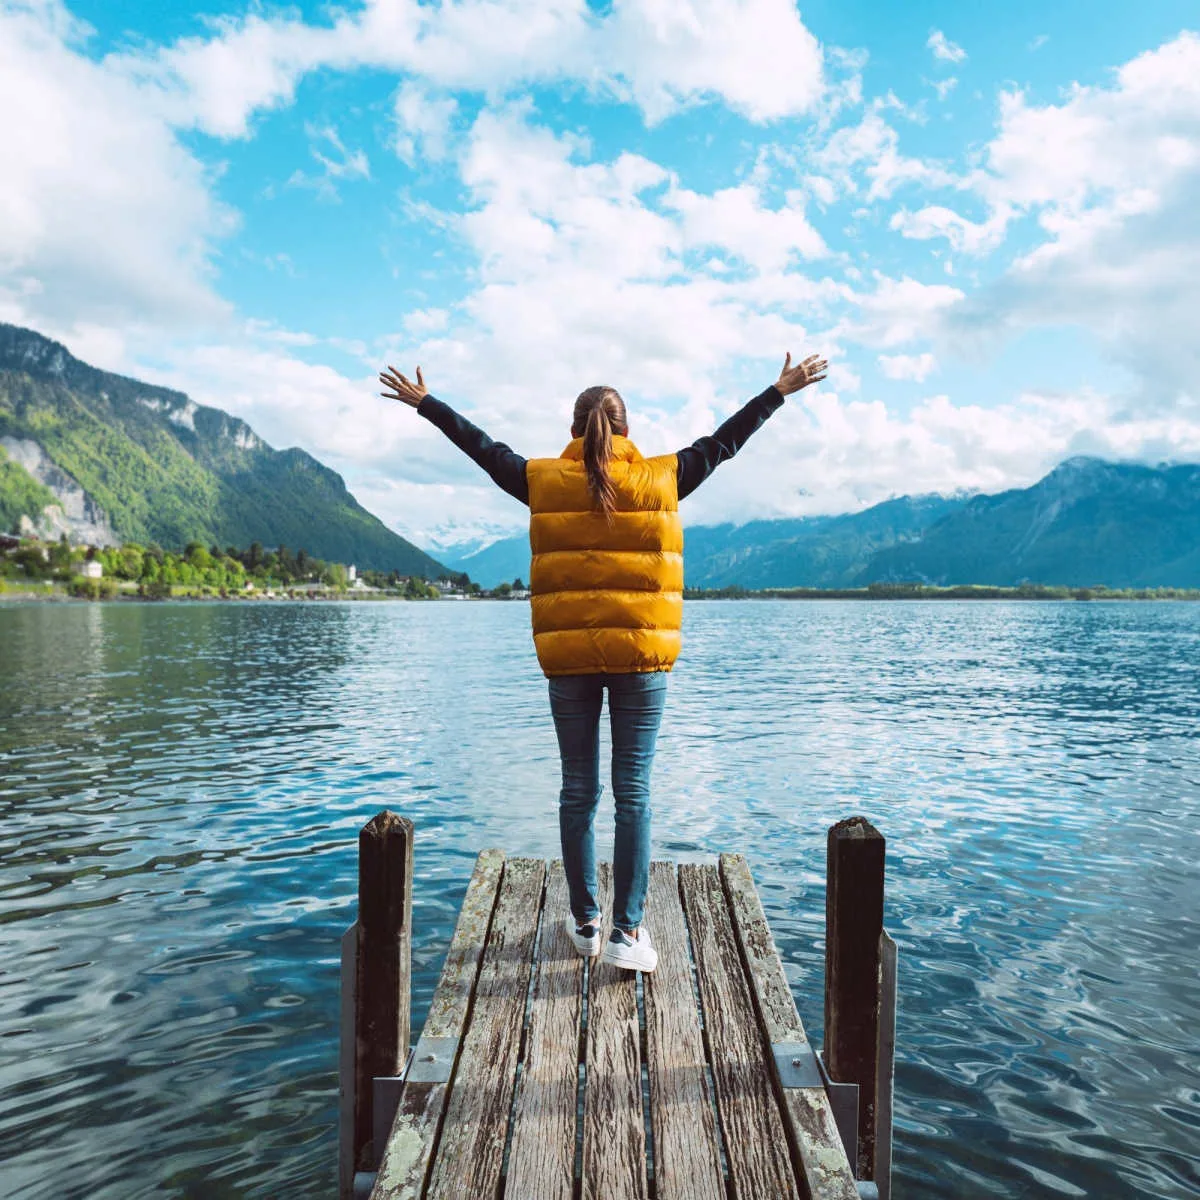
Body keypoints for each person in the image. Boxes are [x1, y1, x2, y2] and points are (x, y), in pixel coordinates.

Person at [379, 352, 828, 972]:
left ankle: (585, 921)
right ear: (627, 428)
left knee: (578, 791)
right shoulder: (664, 476)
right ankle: (627, 932)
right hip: (642, 659)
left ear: (573, 430)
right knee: (633, 792)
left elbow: (482, 448)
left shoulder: (540, 478)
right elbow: (724, 443)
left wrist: (427, 404)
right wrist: (778, 391)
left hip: (569, 662)